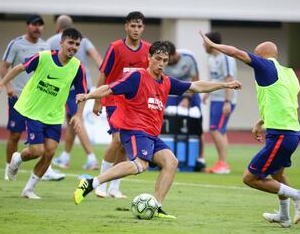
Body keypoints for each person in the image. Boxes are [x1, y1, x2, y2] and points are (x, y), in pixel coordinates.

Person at [73, 41, 242, 219]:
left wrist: (225, 85)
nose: (161, 63)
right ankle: (91, 183)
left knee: (171, 162)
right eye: (158, 59)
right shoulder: (136, 78)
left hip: (151, 134)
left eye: (165, 60)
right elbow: (109, 88)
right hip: (134, 129)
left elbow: (196, 86)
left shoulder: (167, 82)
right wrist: (88, 96)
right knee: (141, 165)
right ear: (149, 58)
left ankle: (156, 205)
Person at [200, 31, 300, 227]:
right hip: (292, 131)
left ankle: (298, 196)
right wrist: (261, 122)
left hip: (281, 134)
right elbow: (285, 101)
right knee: (278, 174)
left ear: (260, 56)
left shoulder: (264, 65)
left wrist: (213, 45)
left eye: (255, 55)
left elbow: (236, 52)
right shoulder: (289, 73)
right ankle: (284, 216)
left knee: (251, 178)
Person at [0, 28, 87, 199]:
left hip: (54, 115)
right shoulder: (44, 57)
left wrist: (78, 115)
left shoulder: (78, 68)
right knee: (37, 150)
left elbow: (82, 93)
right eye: (70, 42)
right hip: (34, 111)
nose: (73, 47)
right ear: (62, 42)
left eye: (77, 44)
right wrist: (1, 84)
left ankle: (28, 189)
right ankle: (18, 158)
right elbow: (18, 68)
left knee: (50, 151)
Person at [93, 11, 151, 198]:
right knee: (117, 140)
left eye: (139, 26)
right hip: (113, 101)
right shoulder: (115, 48)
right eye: (132, 26)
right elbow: (103, 74)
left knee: (125, 145)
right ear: (126, 26)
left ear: (143, 28)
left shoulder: (147, 50)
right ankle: (100, 184)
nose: (136, 29)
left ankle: (115, 188)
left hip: (134, 105)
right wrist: (97, 99)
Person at [0, 14, 64, 181]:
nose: (38, 28)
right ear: (28, 26)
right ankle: (9, 167)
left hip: (39, 101)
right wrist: (8, 86)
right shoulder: (16, 44)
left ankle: (46, 169)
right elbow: (4, 67)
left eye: (41, 25)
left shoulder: (45, 46)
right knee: (15, 134)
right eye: (35, 25)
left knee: (44, 138)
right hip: (18, 97)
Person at [47, 15, 103, 170]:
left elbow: (43, 61)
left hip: (65, 89)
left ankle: (91, 158)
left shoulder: (53, 40)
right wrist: (104, 77)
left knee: (77, 119)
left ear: (57, 27)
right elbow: (98, 59)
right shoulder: (83, 40)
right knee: (72, 120)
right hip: (85, 87)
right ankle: (65, 157)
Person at [163, 41, 206, 171]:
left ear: (174, 54)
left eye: (167, 58)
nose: (165, 61)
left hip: (190, 93)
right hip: (171, 95)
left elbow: (196, 80)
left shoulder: (188, 57)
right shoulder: (162, 62)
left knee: (196, 126)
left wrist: (187, 98)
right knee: (167, 127)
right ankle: (169, 158)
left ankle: (200, 158)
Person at [202, 32, 238, 174]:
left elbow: (229, 80)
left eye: (205, 42)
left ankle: (223, 164)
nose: (203, 44)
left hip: (224, 100)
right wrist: (206, 93)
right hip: (215, 99)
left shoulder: (226, 58)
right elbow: (214, 79)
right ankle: (222, 162)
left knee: (215, 129)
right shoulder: (211, 58)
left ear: (211, 42)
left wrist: (227, 102)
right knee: (219, 130)